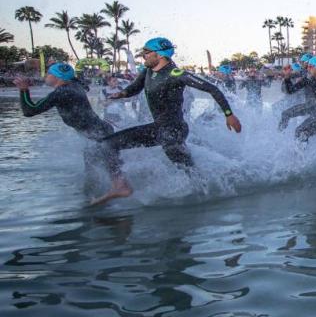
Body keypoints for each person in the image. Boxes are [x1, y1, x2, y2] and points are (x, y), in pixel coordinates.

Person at [104, 38, 241, 185]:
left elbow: (212, 89)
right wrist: (121, 94)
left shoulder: (176, 74)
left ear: (160, 54)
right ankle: (119, 186)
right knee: (107, 145)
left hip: (174, 130)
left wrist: (229, 115)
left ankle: (214, 187)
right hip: (158, 128)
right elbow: (135, 87)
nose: (143, 56)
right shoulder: (148, 72)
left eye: (146, 53)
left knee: (187, 168)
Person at [15, 64, 132, 205]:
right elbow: (78, 81)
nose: (45, 76)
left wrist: (24, 90)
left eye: (48, 73)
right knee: (94, 167)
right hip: (101, 132)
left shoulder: (61, 93)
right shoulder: (75, 85)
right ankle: (97, 199)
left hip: (99, 136)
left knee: (98, 168)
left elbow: (30, 110)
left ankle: (111, 192)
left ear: (57, 77)